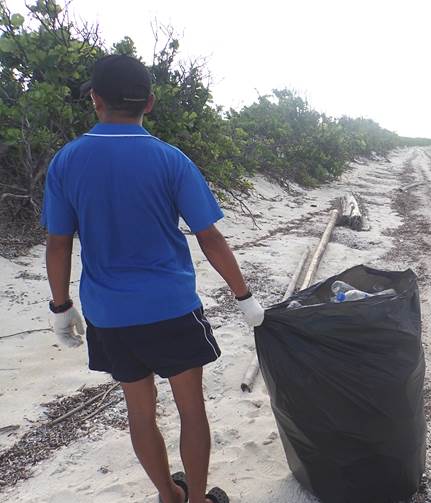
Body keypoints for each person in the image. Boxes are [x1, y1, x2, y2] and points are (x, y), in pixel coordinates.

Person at [41, 54, 264, 503]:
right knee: (191, 409)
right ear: (151, 103)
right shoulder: (170, 159)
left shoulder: (67, 161)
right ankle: (197, 498)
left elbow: (58, 243)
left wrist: (61, 307)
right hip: (171, 309)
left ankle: (169, 494)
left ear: (95, 100)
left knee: (140, 413)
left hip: (109, 314)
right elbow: (210, 238)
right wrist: (243, 297)